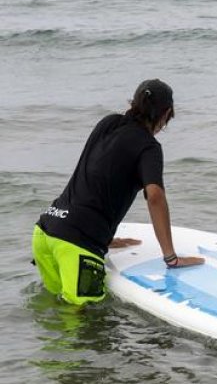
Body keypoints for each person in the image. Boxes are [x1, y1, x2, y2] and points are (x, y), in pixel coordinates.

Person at [31, 80, 204, 305]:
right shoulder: (148, 147)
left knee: (57, 311)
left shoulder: (108, 123)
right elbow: (155, 196)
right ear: (167, 113)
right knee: (84, 327)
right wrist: (171, 258)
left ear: (134, 102)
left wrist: (105, 235)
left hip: (46, 231)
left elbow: (96, 174)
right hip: (77, 244)